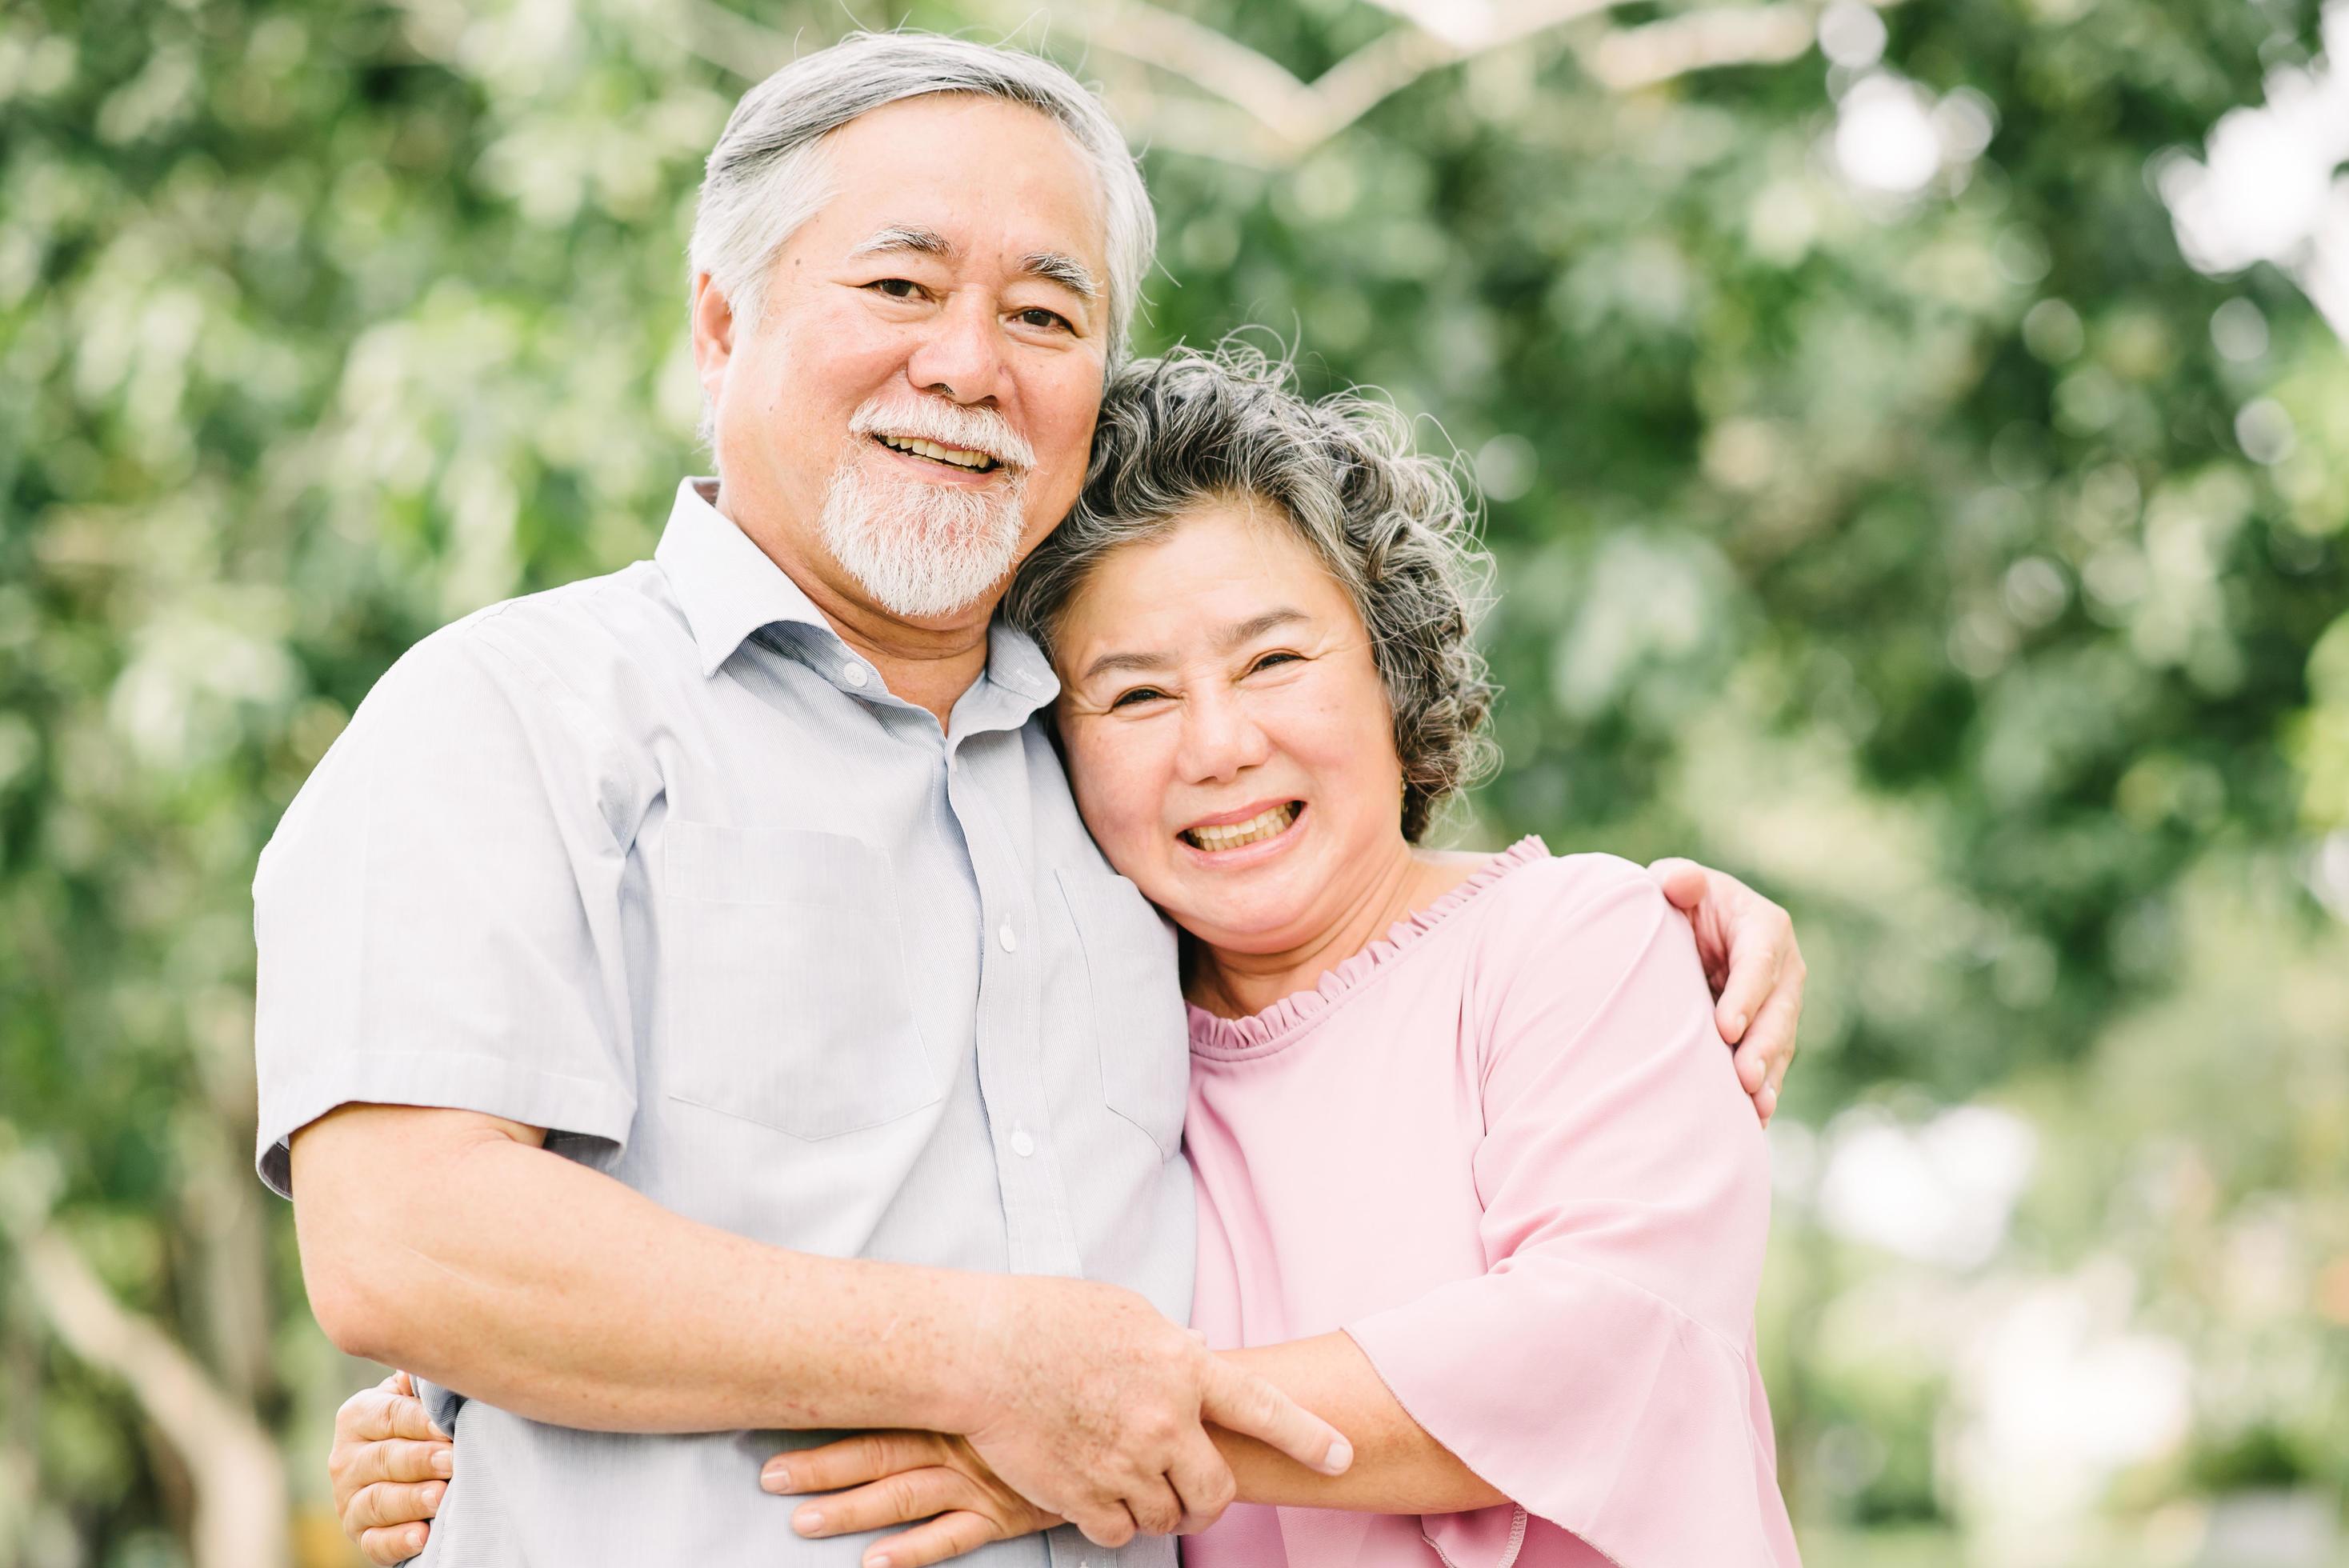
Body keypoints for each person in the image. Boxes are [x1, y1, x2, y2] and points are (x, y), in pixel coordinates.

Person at [261, 32, 1807, 1568]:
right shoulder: (516, 715)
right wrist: (991, 1371)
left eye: (1046, 311)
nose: (966, 362)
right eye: (901, 285)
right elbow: (404, 1239)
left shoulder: (1086, 784)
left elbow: (1404, 1059)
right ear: (721, 326)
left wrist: (1615, 922)